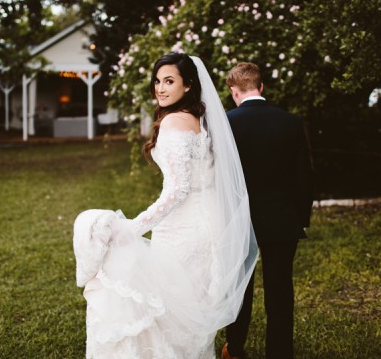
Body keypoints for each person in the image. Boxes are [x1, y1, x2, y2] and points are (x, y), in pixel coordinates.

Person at [73, 53, 258, 358]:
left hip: (181, 231)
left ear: (188, 86)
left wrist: (133, 228)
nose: (160, 88)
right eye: (158, 81)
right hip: (206, 225)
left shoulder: (173, 122)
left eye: (169, 81)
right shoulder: (199, 119)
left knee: (171, 311)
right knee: (189, 309)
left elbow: (177, 191)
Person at [222, 62, 313, 359]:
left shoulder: (226, 123)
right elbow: (304, 176)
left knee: (239, 291)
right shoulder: (290, 121)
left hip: (239, 221)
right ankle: (280, 353)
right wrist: (300, 218)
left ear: (234, 92)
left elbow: (220, 178)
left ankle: (234, 349)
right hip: (282, 219)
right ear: (261, 88)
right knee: (280, 292)